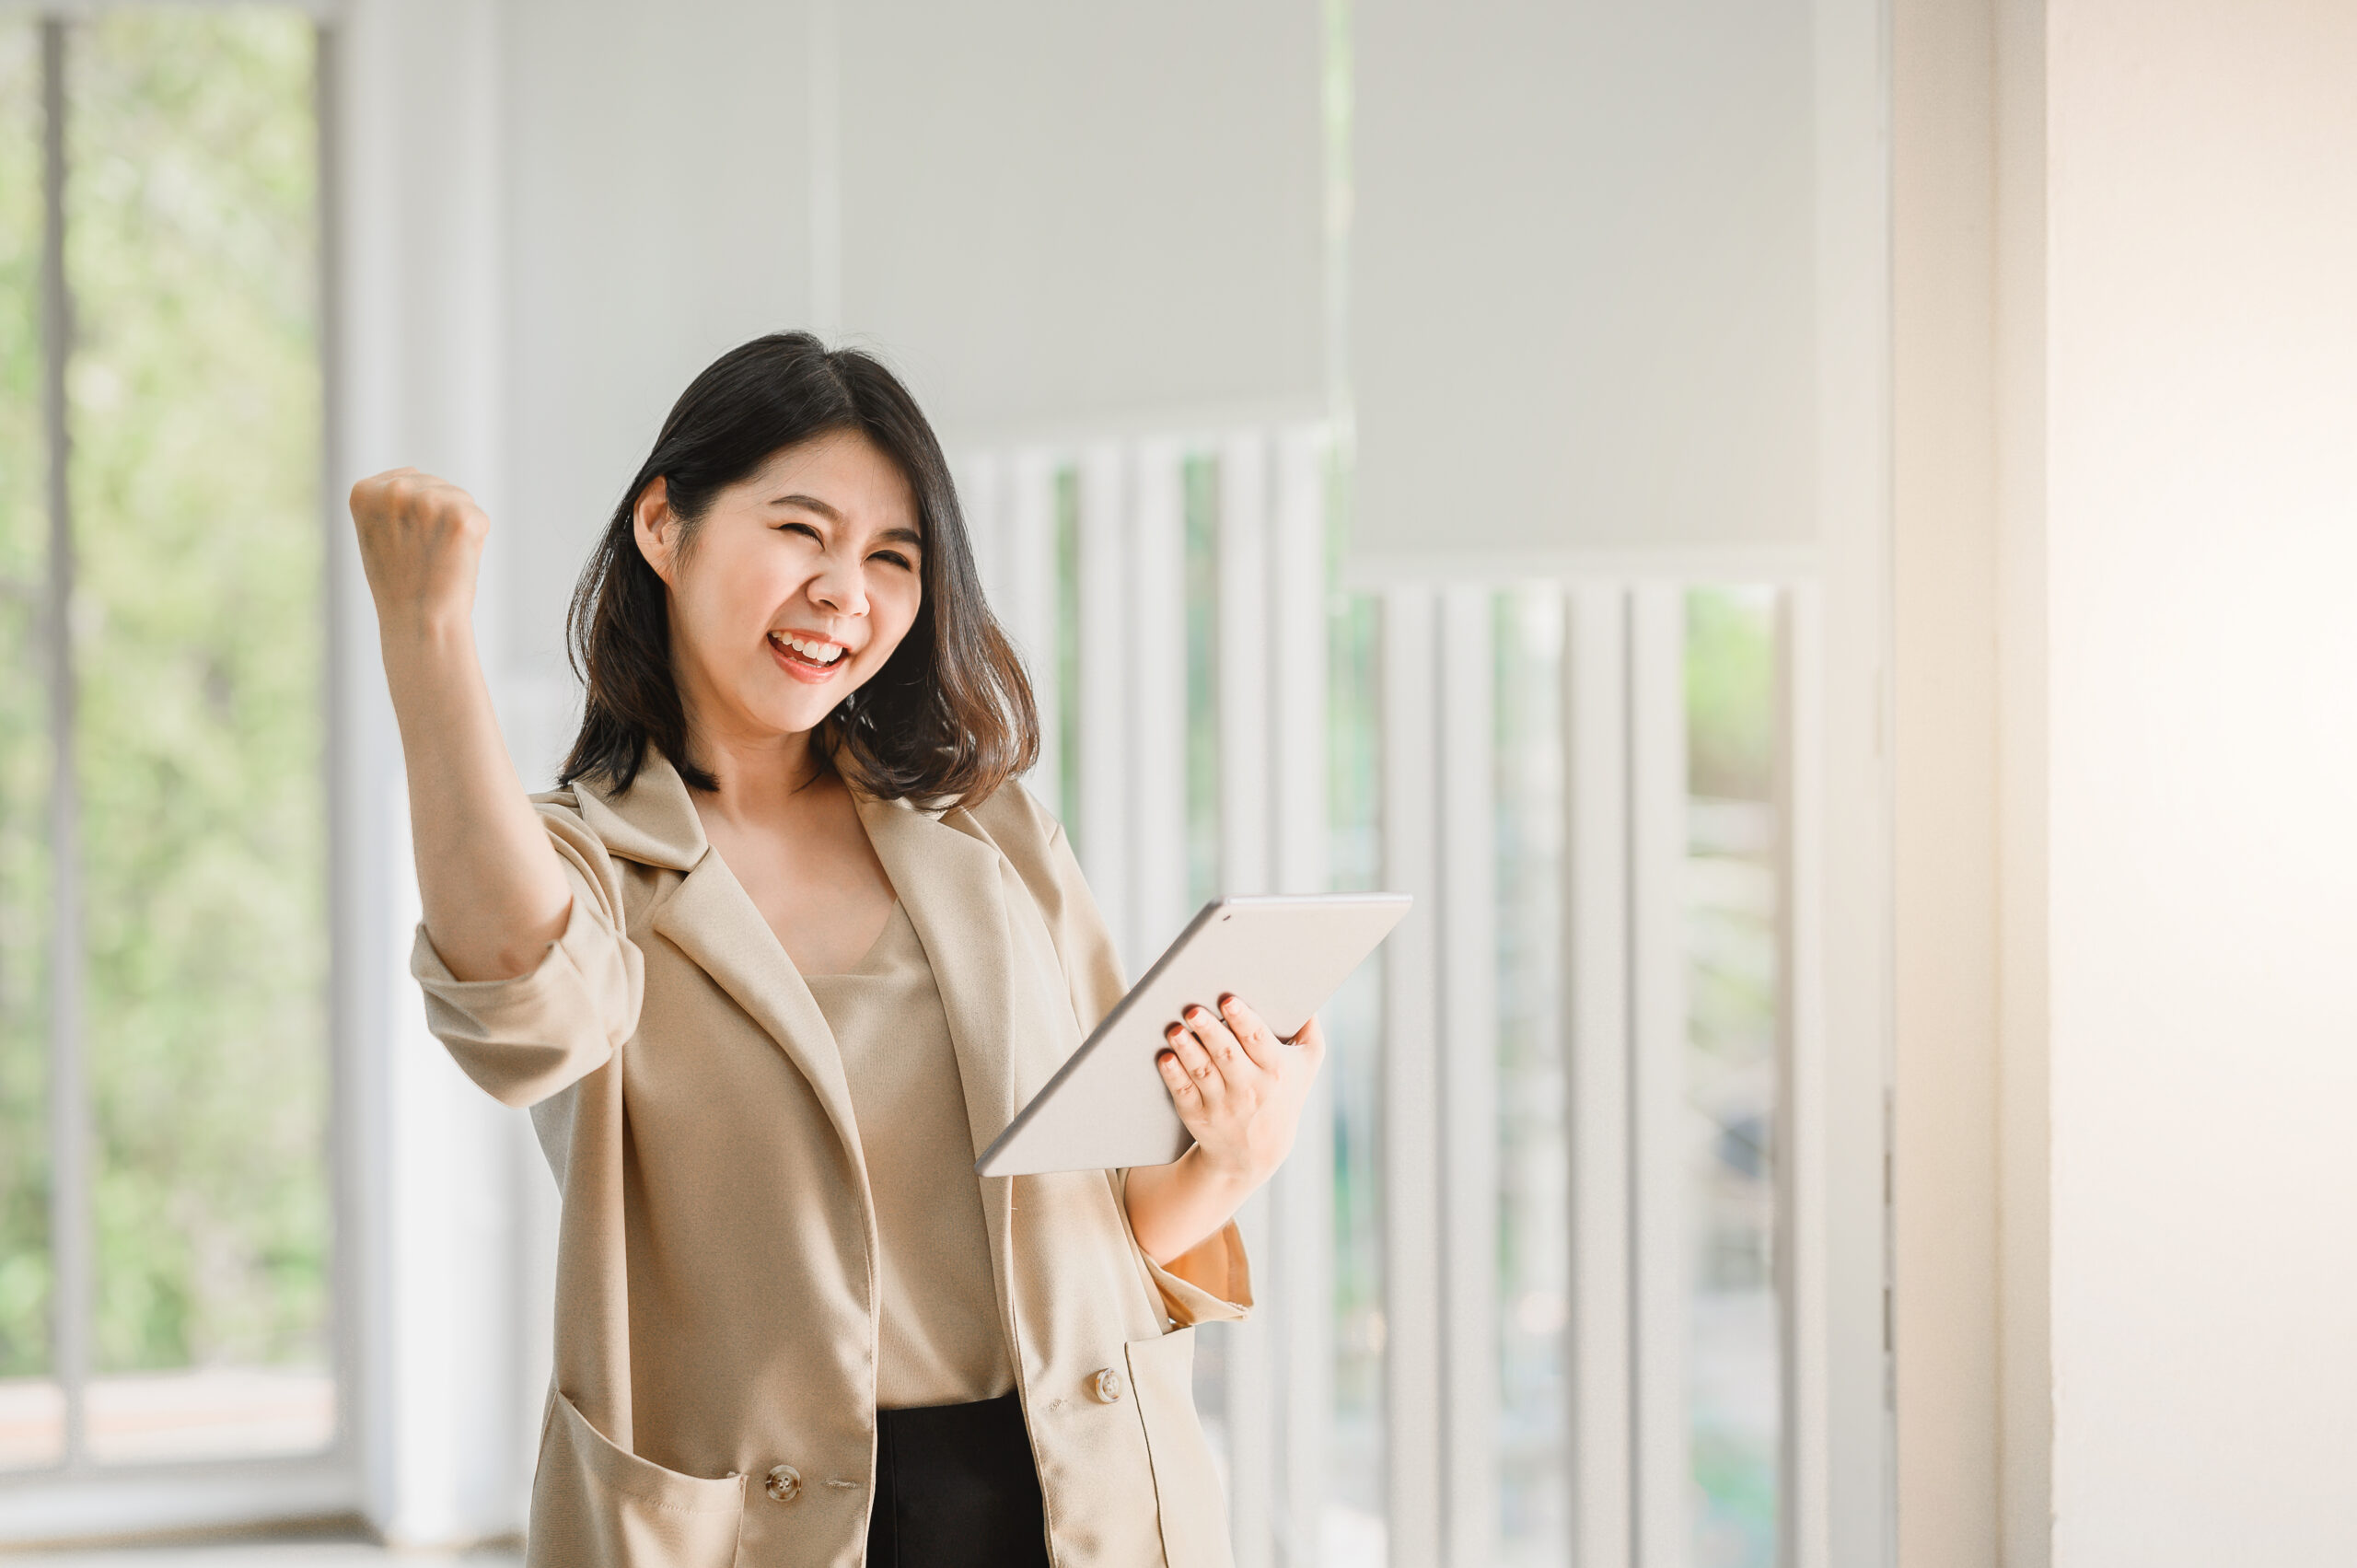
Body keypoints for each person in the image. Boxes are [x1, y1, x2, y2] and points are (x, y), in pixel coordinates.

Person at [352, 331, 1325, 1568]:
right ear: (664, 525)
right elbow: (519, 1016)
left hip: (1073, 1502)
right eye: (801, 533)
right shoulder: (583, 866)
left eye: (891, 557)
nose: (844, 592)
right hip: (758, 1528)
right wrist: (426, 639)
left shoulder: (995, 834)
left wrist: (1238, 1155)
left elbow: (1110, 1228)